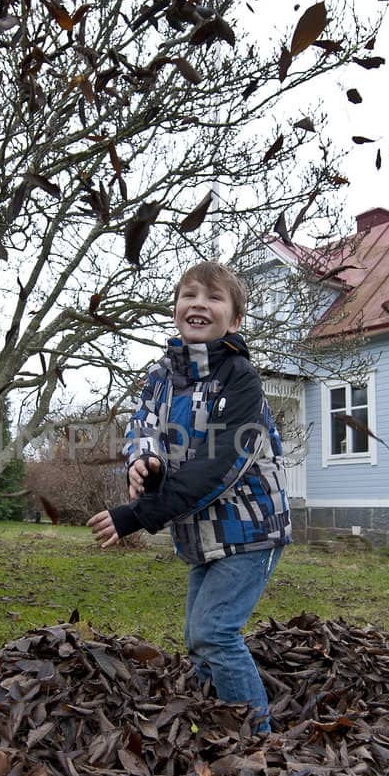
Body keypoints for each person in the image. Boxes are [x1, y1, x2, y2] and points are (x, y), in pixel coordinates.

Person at [87, 261, 291, 733]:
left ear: (235, 321)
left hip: (252, 530)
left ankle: (260, 741)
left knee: (215, 633)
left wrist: (136, 514)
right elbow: (142, 427)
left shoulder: (241, 381)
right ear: (177, 308)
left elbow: (216, 468)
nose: (199, 303)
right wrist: (144, 461)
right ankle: (214, 722)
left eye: (214, 297)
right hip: (201, 533)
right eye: (189, 295)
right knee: (198, 639)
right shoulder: (162, 375)